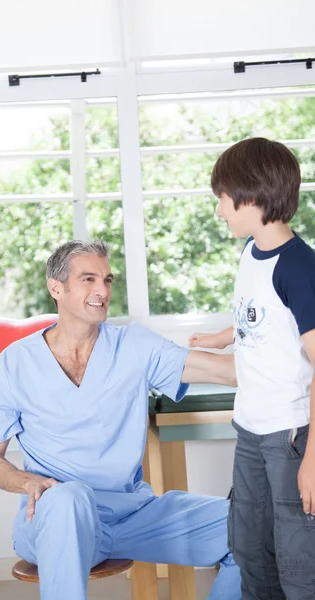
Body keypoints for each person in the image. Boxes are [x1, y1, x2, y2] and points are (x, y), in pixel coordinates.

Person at [0, 240, 241, 600]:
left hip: (132, 515)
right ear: (57, 287)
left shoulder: (133, 345)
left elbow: (226, 372)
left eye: (108, 279)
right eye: (88, 279)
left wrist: (294, 348)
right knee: (68, 497)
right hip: (55, 520)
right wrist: (29, 483)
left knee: (255, 528)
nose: (102, 290)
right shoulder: (15, 362)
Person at [190, 138, 315, 600]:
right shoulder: (250, 252)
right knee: (249, 551)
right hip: (250, 431)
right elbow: (256, 315)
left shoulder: (300, 267)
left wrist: (313, 461)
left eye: (222, 198)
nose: (219, 210)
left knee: (299, 563)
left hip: (289, 437)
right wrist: (219, 338)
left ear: (252, 196)